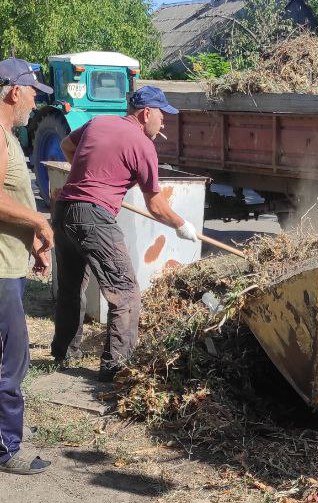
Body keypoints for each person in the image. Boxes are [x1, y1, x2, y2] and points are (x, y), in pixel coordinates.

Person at [51, 86, 198, 382]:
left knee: (70, 286)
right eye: (162, 114)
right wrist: (183, 225)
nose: (164, 122)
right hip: (93, 217)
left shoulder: (99, 122)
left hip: (65, 209)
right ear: (146, 114)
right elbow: (156, 205)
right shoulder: (144, 146)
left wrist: (87, 178)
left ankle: (64, 353)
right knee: (127, 294)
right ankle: (116, 369)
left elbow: (68, 145)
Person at [0, 57, 54, 474]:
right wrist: (38, 220)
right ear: (14, 91)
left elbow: (12, 199)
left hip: (11, 263)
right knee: (10, 362)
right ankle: (6, 449)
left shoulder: (9, 135)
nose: (35, 103)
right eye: (34, 94)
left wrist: (33, 241)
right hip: (0, 272)